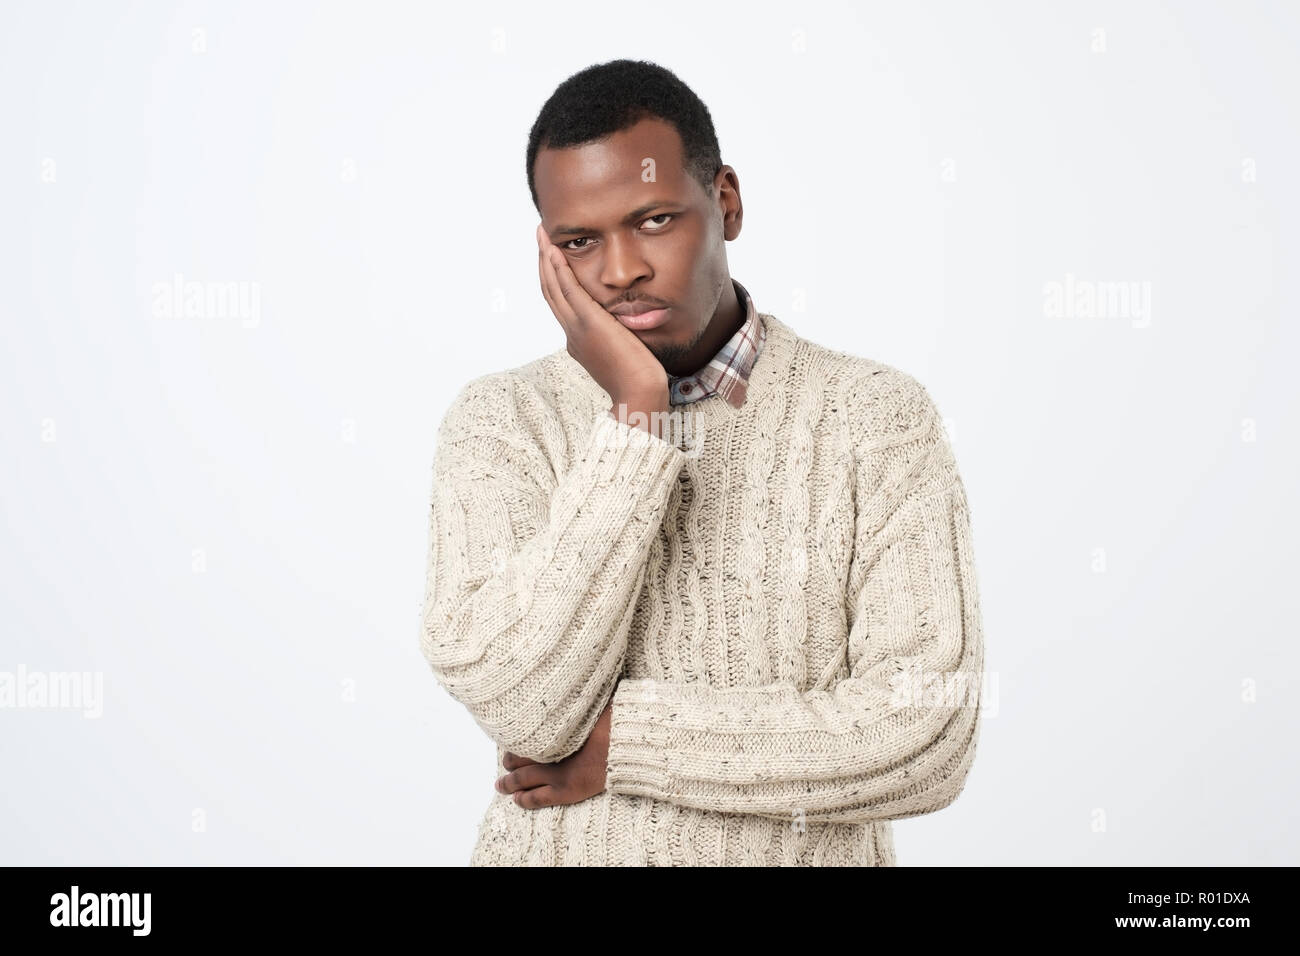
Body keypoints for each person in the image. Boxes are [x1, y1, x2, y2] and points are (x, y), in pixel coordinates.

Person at [418, 58, 985, 866]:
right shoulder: (501, 423)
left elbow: (924, 735)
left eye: (654, 221)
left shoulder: (876, 419)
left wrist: (625, 747)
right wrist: (637, 421)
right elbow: (527, 705)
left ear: (726, 202)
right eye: (580, 242)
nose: (620, 272)